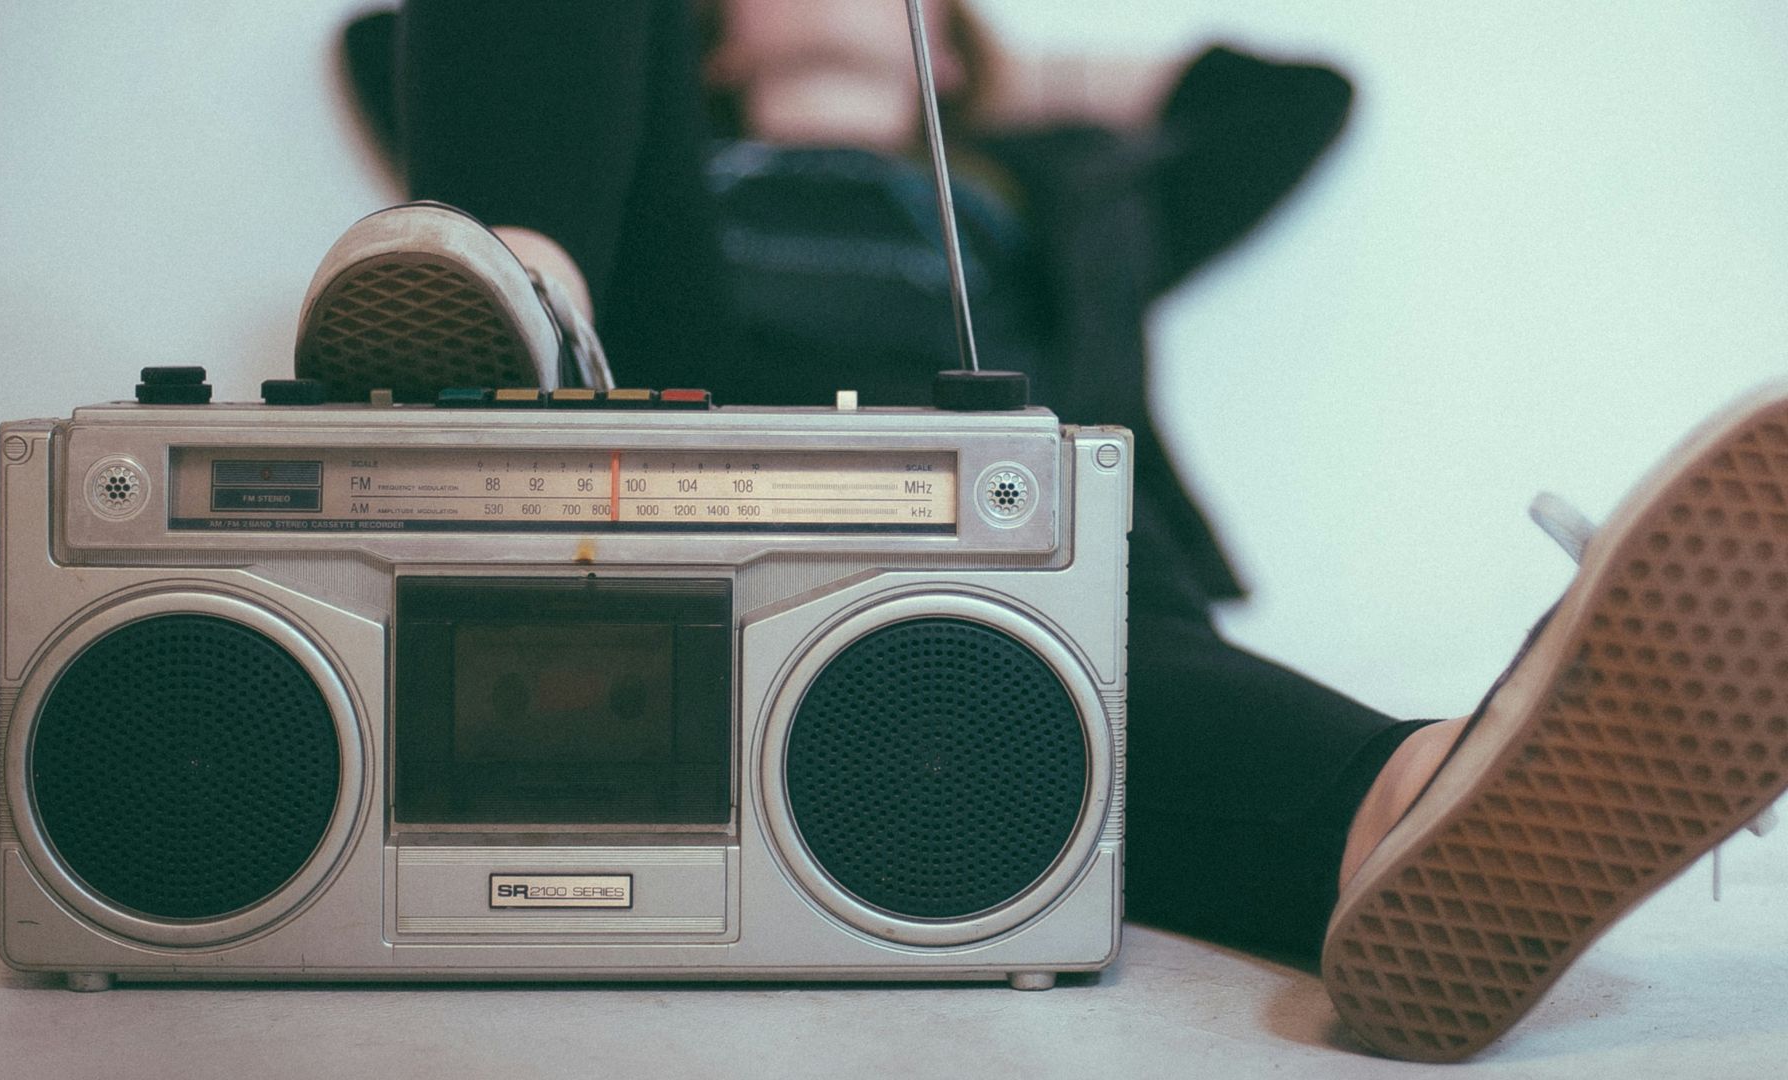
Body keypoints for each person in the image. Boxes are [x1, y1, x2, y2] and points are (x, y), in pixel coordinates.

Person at [293, 1, 1788, 1063]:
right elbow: (394, 43)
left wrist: (996, 74)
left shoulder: (1061, 191)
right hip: (688, 451)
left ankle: (1413, 804)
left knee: (1076, 613)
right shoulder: (660, 159)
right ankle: (520, 296)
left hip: (996, 521)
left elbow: (1292, 97)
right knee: (541, 270)